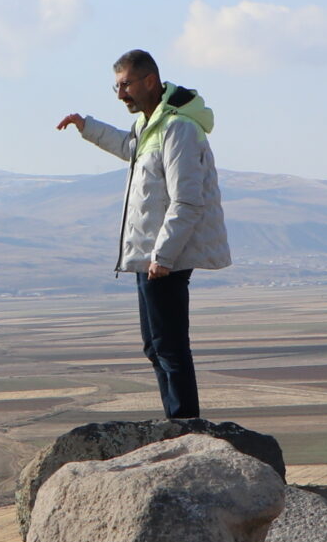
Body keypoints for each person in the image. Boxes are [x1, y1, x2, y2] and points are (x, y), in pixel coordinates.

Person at [57, 49, 231, 420]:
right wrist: (87, 127)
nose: (121, 94)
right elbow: (129, 147)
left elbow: (188, 200)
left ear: (150, 81)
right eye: (117, 87)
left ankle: (185, 425)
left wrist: (163, 256)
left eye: (126, 85)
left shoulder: (179, 129)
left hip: (165, 258)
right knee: (155, 346)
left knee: (169, 347)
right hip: (149, 256)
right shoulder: (149, 125)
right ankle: (176, 421)